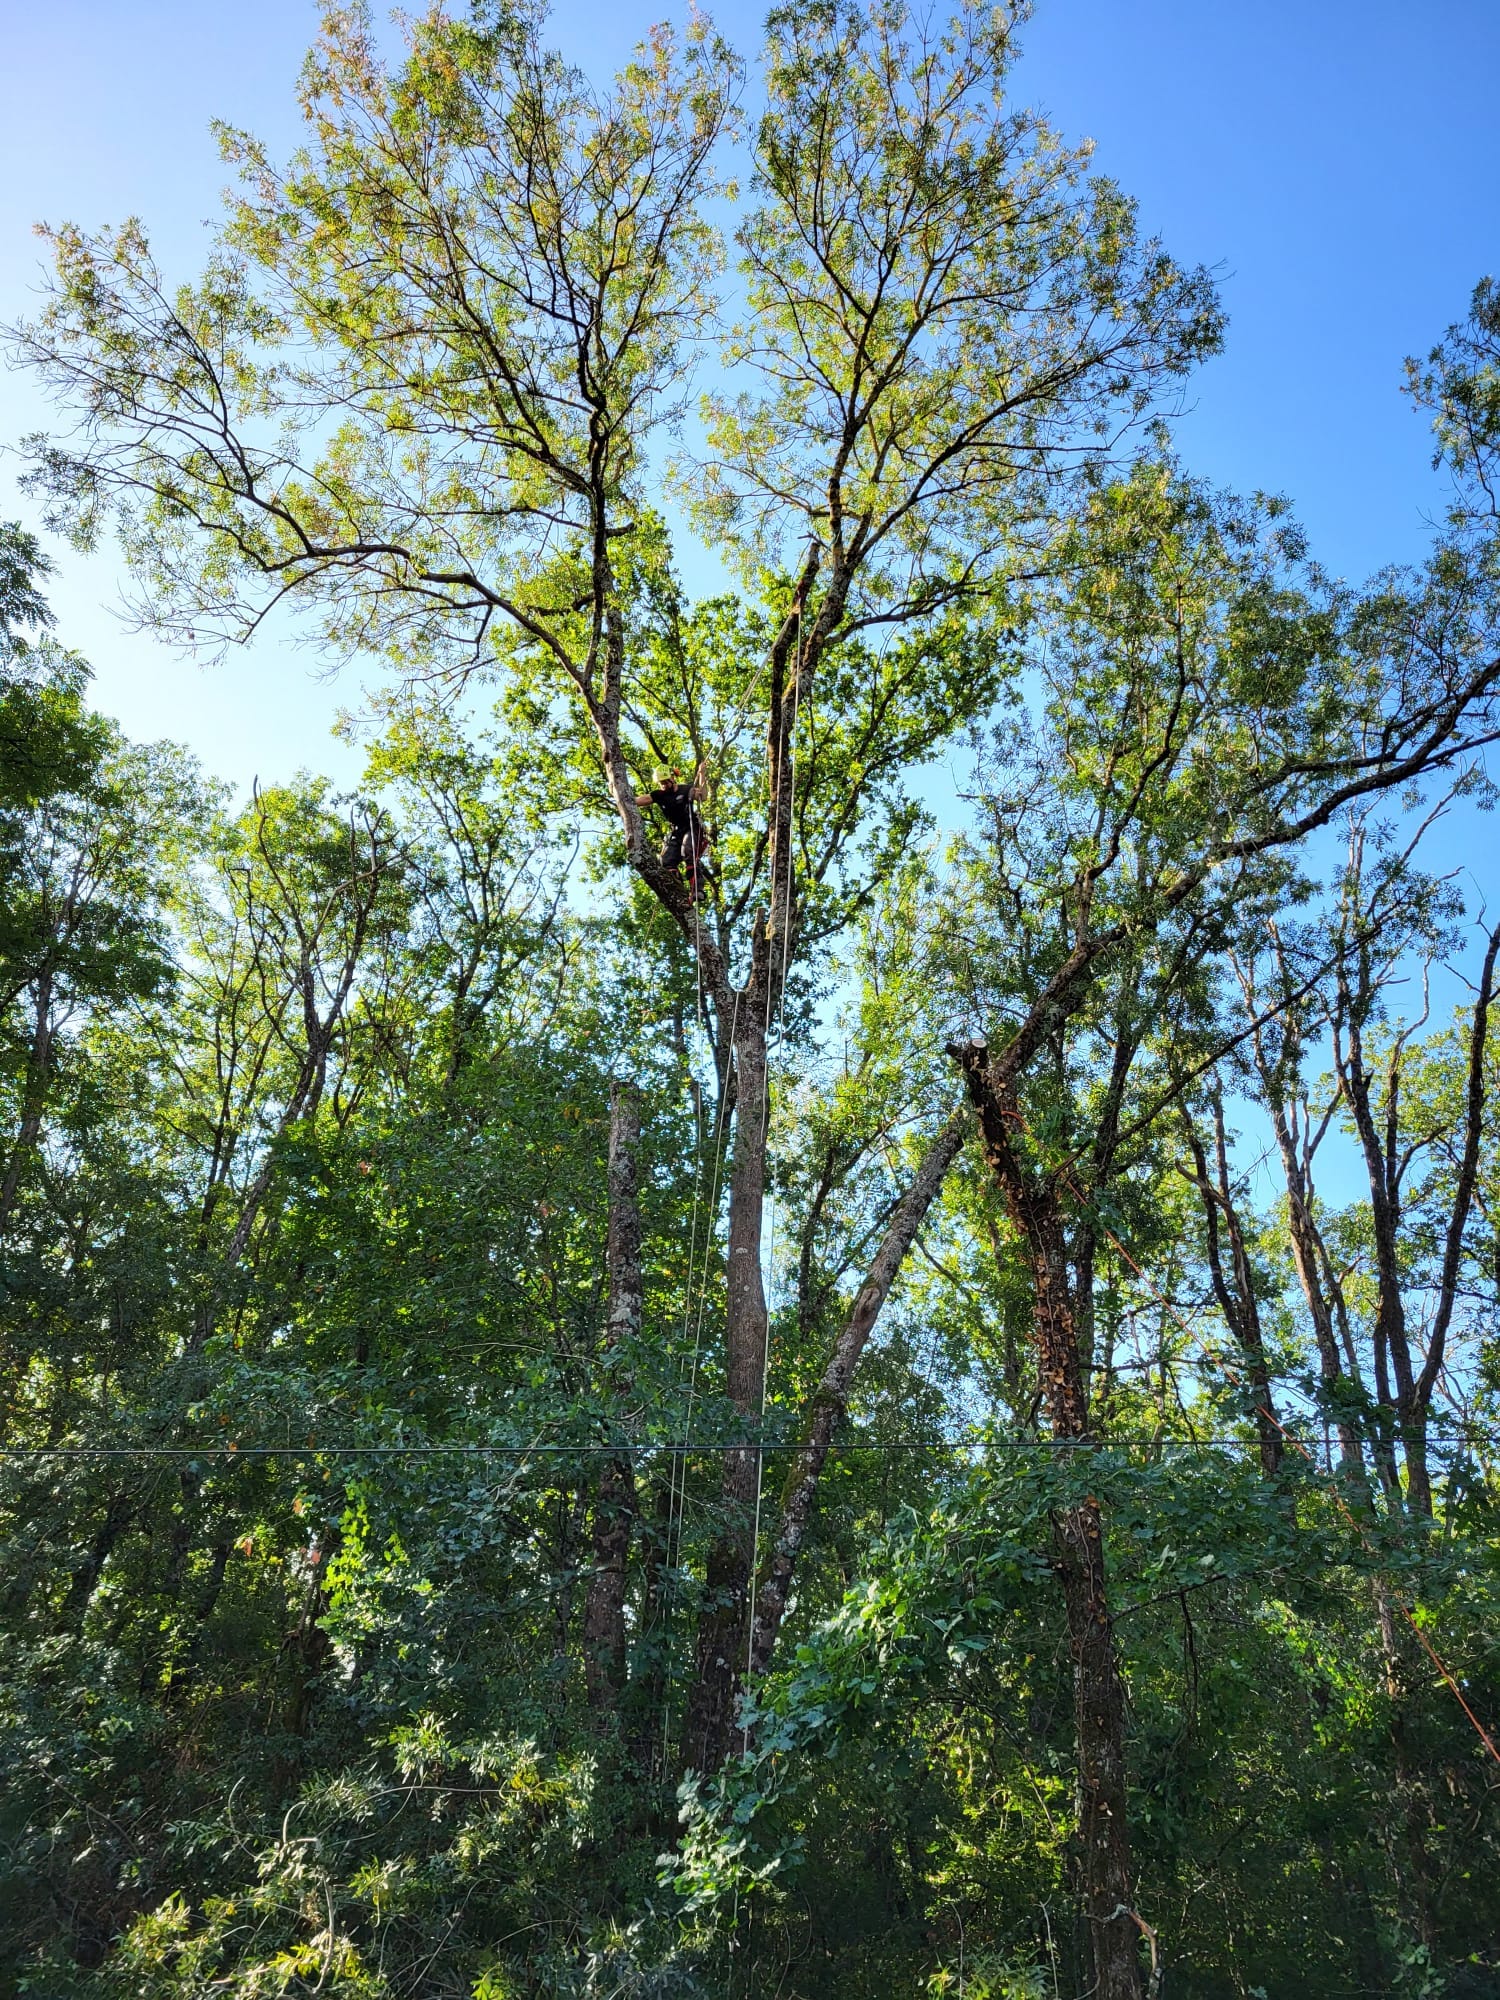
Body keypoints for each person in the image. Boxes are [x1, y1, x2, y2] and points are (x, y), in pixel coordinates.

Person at [637, 761, 714, 898]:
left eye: (666, 782)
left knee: (688, 851)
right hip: (676, 831)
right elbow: (640, 800)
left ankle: (697, 889)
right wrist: (620, 798)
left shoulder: (686, 790)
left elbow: (703, 796)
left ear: (672, 778)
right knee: (666, 861)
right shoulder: (659, 795)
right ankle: (677, 889)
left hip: (692, 827)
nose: (664, 785)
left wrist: (702, 774)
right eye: (661, 783)